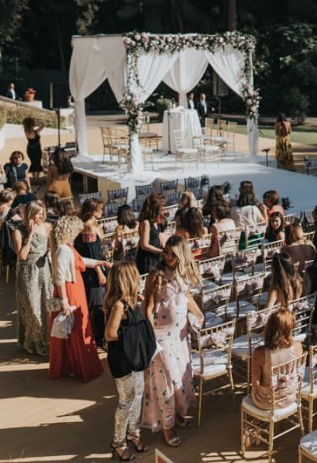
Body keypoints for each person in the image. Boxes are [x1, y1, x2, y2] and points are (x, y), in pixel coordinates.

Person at [141, 235, 204, 445]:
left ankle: (177, 413)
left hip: (180, 335)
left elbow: (186, 295)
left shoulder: (183, 272)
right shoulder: (156, 275)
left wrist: (198, 313)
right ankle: (167, 426)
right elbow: (148, 306)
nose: (168, 257)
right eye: (166, 252)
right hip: (161, 337)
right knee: (166, 382)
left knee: (180, 378)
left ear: (182, 255)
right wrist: (149, 335)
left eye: (173, 254)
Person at [49, 215, 111, 382]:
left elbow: (80, 260)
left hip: (75, 288)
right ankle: (82, 367)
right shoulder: (63, 249)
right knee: (77, 327)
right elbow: (60, 278)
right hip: (71, 290)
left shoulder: (67, 247)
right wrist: (64, 301)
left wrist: (99, 263)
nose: (78, 233)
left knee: (77, 326)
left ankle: (76, 365)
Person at [104, 262, 153, 461]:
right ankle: (118, 442)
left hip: (135, 357)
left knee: (138, 395)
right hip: (122, 360)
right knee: (126, 401)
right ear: (129, 280)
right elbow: (109, 335)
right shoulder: (118, 306)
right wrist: (132, 337)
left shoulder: (132, 301)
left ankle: (133, 432)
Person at [13, 203, 53, 356]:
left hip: (44, 270)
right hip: (27, 272)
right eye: (38, 214)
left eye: (42, 213)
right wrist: (30, 235)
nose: (41, 217)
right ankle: (32, 342)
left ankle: (46, 341)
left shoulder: (47, 227)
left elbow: (51, 247)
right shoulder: (18, 231)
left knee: (45, 307)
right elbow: (22, 255)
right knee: (31, 308)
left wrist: (49, 252)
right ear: (30, 214)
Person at [250, 308, 304, 412]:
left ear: (269, 327)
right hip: (289, 397)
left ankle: (258, 418)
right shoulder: (298, 347)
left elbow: (255, 383)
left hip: (266, 402)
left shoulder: (260, 352)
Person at [76, 199, 109, 349]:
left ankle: (97, 337)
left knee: (97, 305)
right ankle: (97, 338)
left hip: (94, 269)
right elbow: (92, 254)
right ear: (93, 211)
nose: (102, 212)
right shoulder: (89, 228)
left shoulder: (91, 226)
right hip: (93, 273)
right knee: (96, 305)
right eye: (100, 209)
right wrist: (100, 273)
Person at [135, 193, 167, 275]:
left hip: (155, 256)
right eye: (161, 207)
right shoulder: (146, 223)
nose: (163, 209)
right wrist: (160, 251)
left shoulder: (156, 221)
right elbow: (144, 245)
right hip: (147, 259)